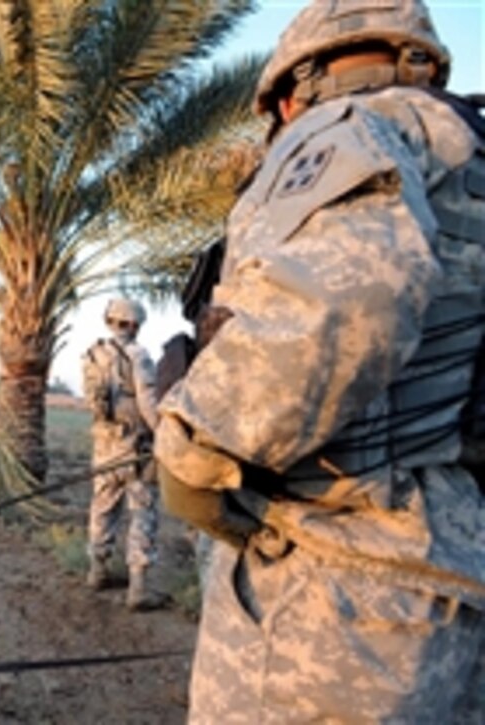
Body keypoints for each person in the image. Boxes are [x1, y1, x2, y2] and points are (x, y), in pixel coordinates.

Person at [154, 0, 484, 721]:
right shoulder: (467, 157)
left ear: (296, 86)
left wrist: (194, 442)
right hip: (451, 572)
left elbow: (350, 298)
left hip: (334, 579)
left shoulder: (351, 127)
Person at [81, 298, 167, 610]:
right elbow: (148, 402)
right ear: (135, 324)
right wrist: (163, 434)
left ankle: (98, 570)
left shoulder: (92, 354)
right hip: (136, 447)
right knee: (143, 511)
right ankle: (139, 589)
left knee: (102, 506)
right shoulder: (138, 355)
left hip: (104, 446)